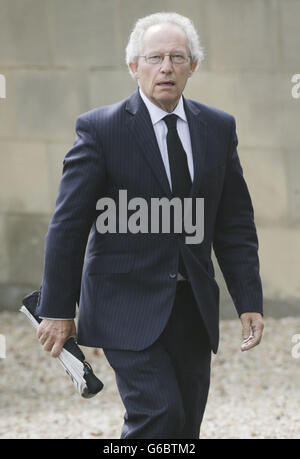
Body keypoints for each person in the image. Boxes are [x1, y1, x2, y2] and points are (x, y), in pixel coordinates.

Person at [36, 12, 264, 439]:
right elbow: (68, 225)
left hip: (192, 307)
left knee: (185, 426)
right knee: (159, 417)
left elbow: (233, 223)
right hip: (123, 303)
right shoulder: (99, 129)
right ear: (133, 66)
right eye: (155, 57)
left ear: (192, 66)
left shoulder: (218, 128)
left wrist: (249, 298)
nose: (166, 67)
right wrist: (57, 309)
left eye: (177, 57)